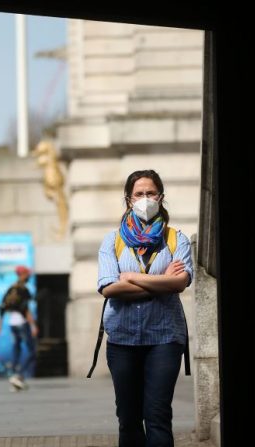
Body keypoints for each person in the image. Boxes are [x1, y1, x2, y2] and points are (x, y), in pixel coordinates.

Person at [96, 169, 193, 447]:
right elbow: (109, 288)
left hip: (164, 339)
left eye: (151, 193)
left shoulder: (176, 239)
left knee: (157, 415)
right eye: (139, 194)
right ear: (129, 200)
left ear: (160, 197)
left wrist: (133, 277)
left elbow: (181, 284)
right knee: (128, 418)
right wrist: (162, 282)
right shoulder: (112, 241)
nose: (145, 199)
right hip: (122, 340)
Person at [0, 265, 38, 391]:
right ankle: (19, 375)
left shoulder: (11, 289)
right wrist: (33, 325)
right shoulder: (23, 289)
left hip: (12, 323)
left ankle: (15, 378)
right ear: (22, 274)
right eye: (27, 274)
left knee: (16, 350)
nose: (28, 276)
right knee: (32, 351)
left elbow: (2, 306)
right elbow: (26, 309)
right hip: (22, 322)